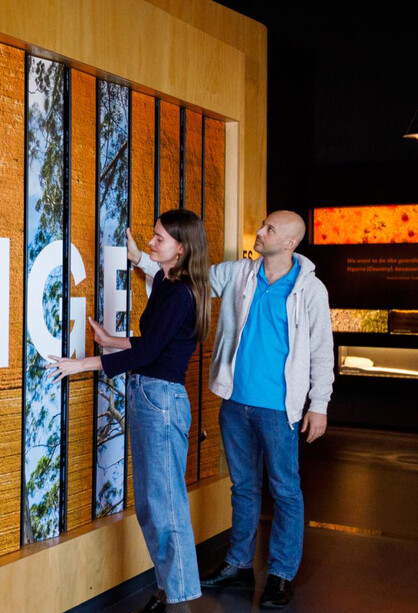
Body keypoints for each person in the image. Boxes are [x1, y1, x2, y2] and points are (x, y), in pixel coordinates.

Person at [127, 210, 334, 609]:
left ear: (289, 242)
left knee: (285, 490)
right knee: (243, 487)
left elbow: (323, 352)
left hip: (281, 409)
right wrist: (141, 259)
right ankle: (239, 563)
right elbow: (188, 279)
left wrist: (319, 405)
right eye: (262, 225)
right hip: (236, 402)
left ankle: (280, 574)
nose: (259, 231)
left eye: (269, 229)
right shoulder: (241, 273)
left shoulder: (310, 289)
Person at [48, 209, 212, 613]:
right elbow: (153, 341)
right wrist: (113, 339)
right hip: (150, 395)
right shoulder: (169, 284)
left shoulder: (179, 293)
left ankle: (181, 601)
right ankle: (169, 590)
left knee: (166, 505)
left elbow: (152, 351)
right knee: (152, 505)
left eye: (158, 239)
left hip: (162, 402)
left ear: (181, 248)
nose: (150, 244)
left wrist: (83, 364)